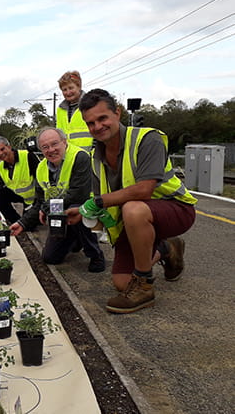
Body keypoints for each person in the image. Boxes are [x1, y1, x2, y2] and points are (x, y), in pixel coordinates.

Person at [66, 88, 196, 314]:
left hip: (175, 209)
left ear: (117, 113)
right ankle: (167, 248)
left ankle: (145, 286)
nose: (97, 127)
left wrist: (98, 202)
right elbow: (98, 198)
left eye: (102, 118)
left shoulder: (147, 139)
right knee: (121, 283)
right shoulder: (95, 156)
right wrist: (84, 212)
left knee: (133, 208)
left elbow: (144, 190)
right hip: (133, 222)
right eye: (90, 123)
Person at [10, 127, 105, 273]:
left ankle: (95, 255)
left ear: (64, 142)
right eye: (45, 147)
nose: (51, 150)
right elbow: (39, 202)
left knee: (77, 207)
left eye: (55, 144)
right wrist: (22, 223)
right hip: (60, 211)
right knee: (50, 257)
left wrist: (47, 207)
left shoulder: (80, 157)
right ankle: (75, 237)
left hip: (88, 207)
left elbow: (79, 194)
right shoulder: (41, 168)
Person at [56, 70, 94, 151]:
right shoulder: (60, 110)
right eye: (64, 90)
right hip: (68, 157)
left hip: (89, 156)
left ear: (79, 86)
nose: (68, 92)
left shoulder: (91, 104)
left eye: (71, 88)